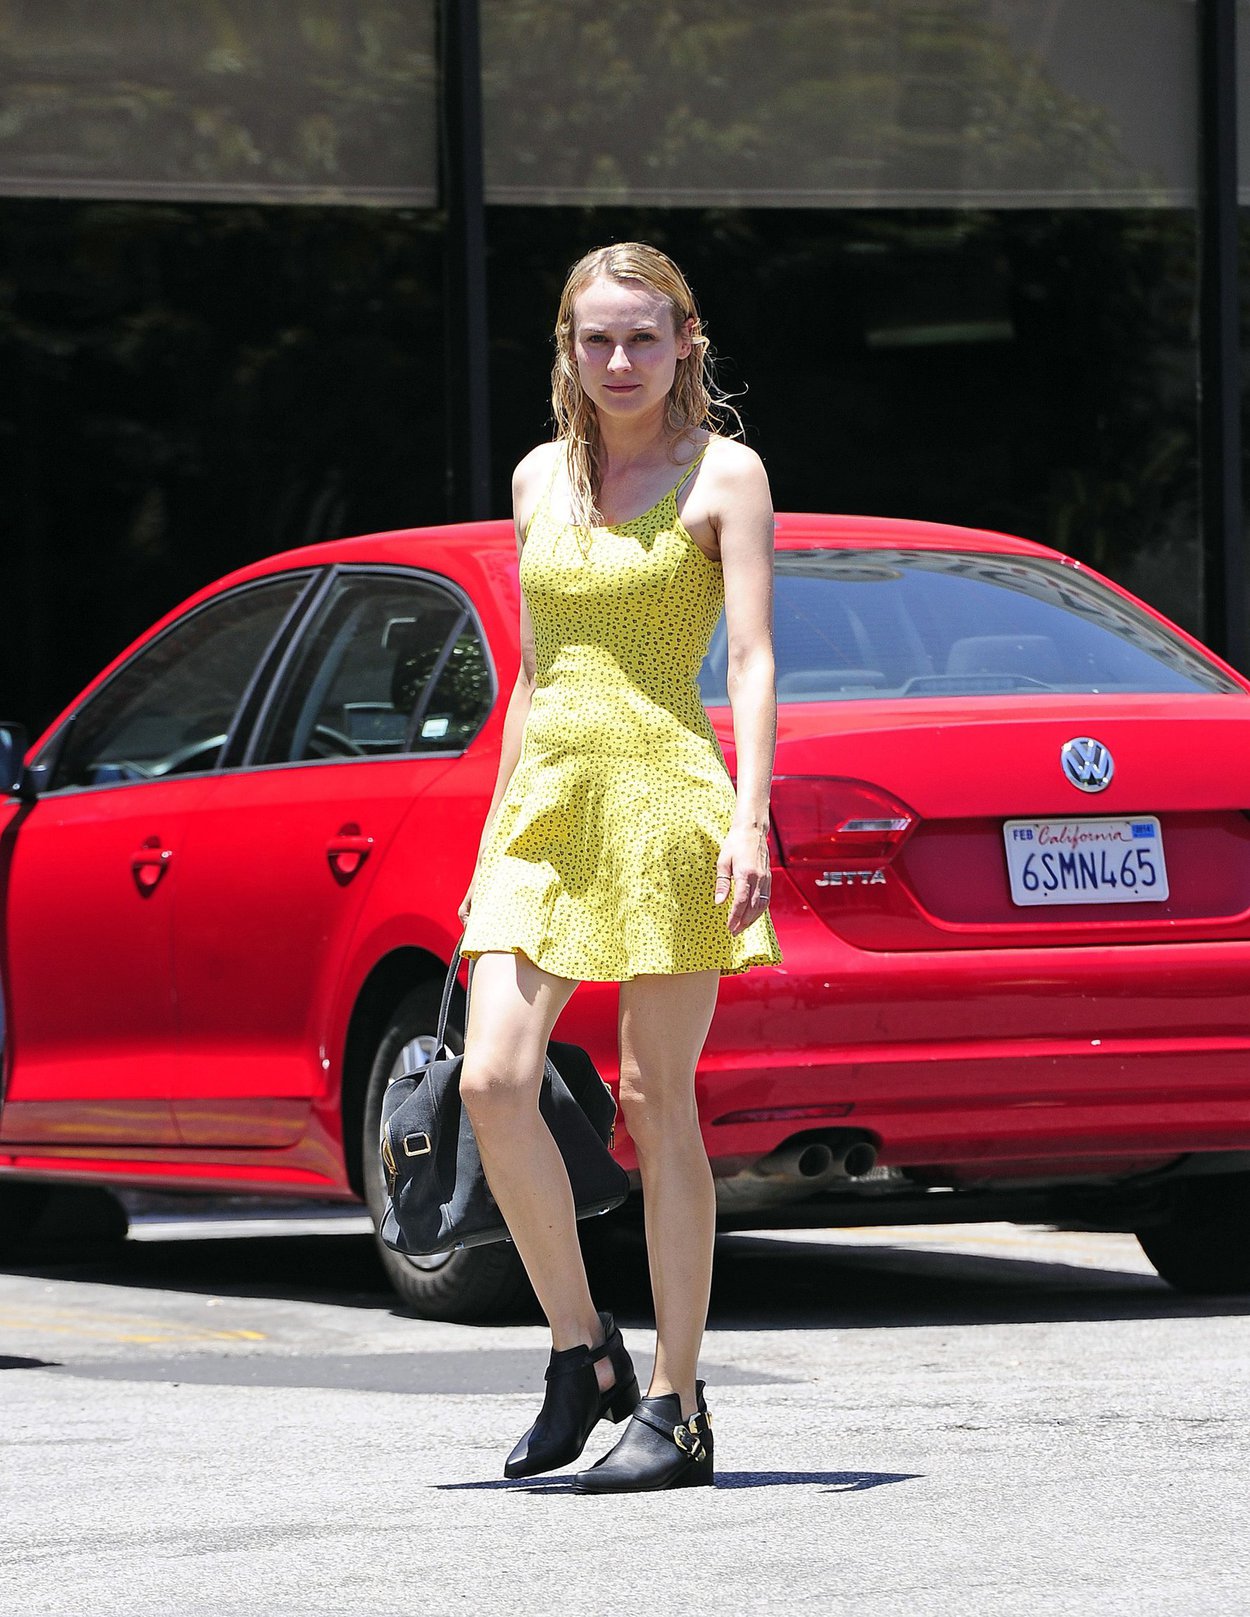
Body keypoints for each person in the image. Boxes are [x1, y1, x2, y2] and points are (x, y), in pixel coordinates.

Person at [457, 241, 781, 1493]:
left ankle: (677, 1401)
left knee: (654, 1104)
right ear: (567, 348)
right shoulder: (541, 474)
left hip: (665, 803)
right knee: (493, 1079)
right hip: (544, 809)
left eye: (643, 336)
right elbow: (536, 673)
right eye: (597, 339)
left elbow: (748, 661)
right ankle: (579, 1349)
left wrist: (750, 818)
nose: (620, 360)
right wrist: (491, 840)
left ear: (684, 341)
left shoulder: (724, 475)